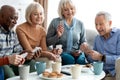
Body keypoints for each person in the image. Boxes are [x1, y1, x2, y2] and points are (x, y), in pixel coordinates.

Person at [16, 2, 61, 72]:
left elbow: (44, 50)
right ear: (29, 15)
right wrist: (48, 54)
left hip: (38, 56)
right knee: (48, 59)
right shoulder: (20, 29)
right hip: (28, 57)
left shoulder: (42, 30)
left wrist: (52, 51)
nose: (39, 16)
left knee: (58, 58)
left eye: (41, 14)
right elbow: (30, 51)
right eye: (35, 14)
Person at [46, 0, 88, 65]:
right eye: (66, 10)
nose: (70, 12)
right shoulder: (55, 22)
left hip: (77, 53)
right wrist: (58, 36)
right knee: (69, 60)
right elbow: (47, 42)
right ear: (62, 11)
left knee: (81, 61)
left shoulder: (80, 24)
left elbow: (83, 41)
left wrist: (83, 46)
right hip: (62, 52)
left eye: (72, 9)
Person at [85, 11, 120, 80]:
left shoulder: (118, 35)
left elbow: (119, 59)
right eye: (96, 24)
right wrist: (87, 52)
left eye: (101, 24)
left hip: (115, 73)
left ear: (109, 23)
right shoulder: (97, 38)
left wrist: (102, 57)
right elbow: (93, 60)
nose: (98, 28)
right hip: (99, 74)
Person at [0, 5, 26, 79]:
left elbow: (18, 50)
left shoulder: (12, 33)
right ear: (1, 16)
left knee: (31, 63)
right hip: (2, 65)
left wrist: (25, 54)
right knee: (4, 68)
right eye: (12, 18)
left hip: (11, 64)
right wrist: (7, 60)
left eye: (16, 19)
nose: (15, 22)